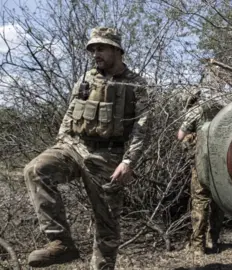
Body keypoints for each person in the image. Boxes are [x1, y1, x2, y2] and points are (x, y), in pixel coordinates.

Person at [23, 27, 150, 269]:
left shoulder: (136, 85)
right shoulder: (86, 80)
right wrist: (61, 143)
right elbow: (70, 114)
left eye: (100, 48)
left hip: (108, 157)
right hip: (74, 148)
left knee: (107, 227)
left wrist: (128, 161)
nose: (95, 53)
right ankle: (60, 243)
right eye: (92, 49)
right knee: (36, 170)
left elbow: (142, 127)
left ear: (116, 50)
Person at [176, 87, 224, 256]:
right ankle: (214, 240)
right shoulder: (222, 107)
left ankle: (198, 247)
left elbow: (181, 136)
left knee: (200, 201)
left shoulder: (195, 111)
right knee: (219, 201)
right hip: (222, 163)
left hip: (202, 163)